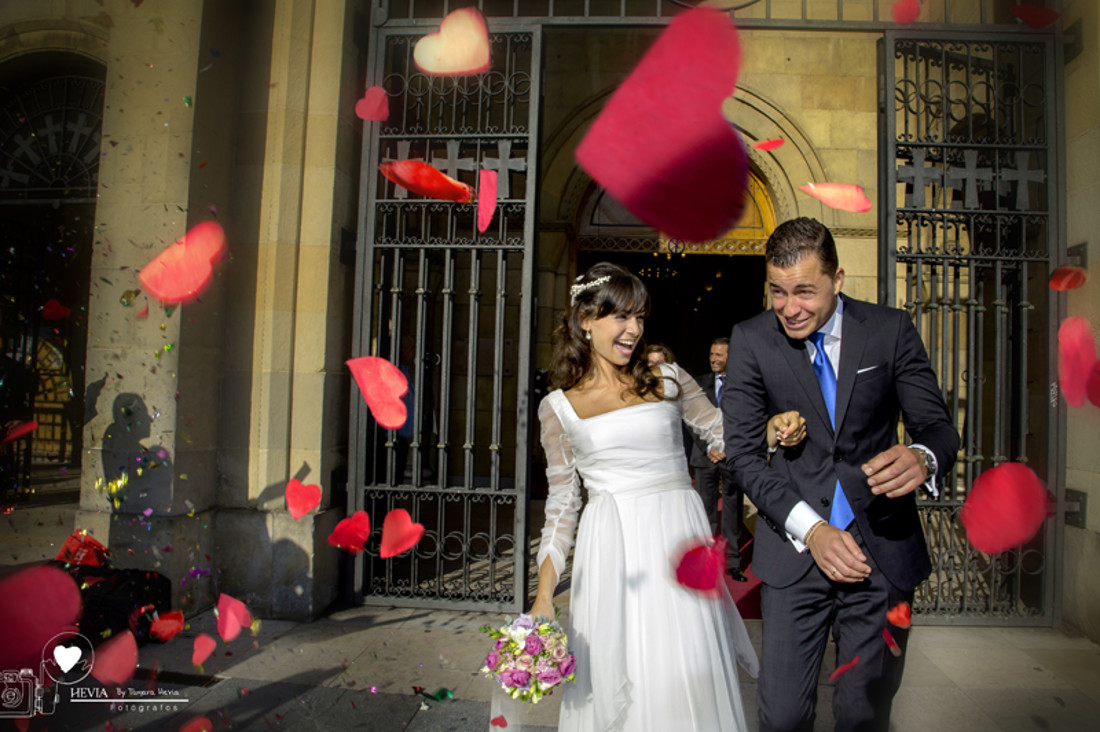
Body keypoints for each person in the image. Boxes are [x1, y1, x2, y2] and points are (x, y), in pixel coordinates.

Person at [529, 262, 803, 732]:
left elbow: (724, 433)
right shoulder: (557, 408)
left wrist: (769, 429)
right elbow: (561, 508)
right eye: (622, 317)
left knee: (684, 668)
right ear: (586, 320)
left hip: (679, 547)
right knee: (624, 670)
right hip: (613, 558)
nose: (635, 329)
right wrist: (542, 595)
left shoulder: (669, 379)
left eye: (640, 317)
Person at [723, 218, 960, 732]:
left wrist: (922, 456)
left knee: (863, 713)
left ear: (838, 279)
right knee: (783, 716)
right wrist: (813, 529)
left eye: (805, 291)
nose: (789, 308)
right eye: (778, 292)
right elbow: (742, 456)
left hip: (882, 553)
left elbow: (938, 429)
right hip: (794, 558)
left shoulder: (890, 330)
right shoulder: (751, 340)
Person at [688, 337, 748, 581]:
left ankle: (733, 563)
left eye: (719, 355)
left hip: (732, 456)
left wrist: (727, 447)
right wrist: (708, 446)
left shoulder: (743, 385)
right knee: (705, 511)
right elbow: (691, 419)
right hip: (705, 457)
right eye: (712, 354)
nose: (714, 359)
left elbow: (746, 419)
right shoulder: (699, 384)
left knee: (733, 512)